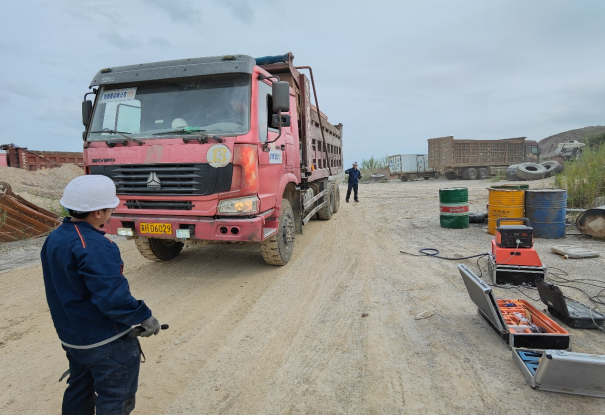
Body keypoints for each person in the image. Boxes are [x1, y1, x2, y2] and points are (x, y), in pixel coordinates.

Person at [41, 175, 161, 415]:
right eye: (110, 208)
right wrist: (144, 316)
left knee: (79, 390)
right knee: (115, 399)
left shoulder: (56, 237)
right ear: (98, 212)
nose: (111, 212)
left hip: (73, 339)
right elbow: (113, 299)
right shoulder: (94, 245)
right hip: (105, 342)